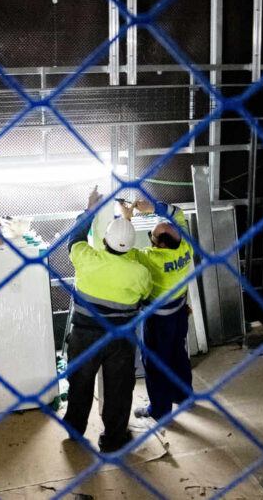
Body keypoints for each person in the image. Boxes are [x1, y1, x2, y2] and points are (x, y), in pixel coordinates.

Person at [63, 186, 153, 453]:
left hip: (85, 335)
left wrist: (90, 210)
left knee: (79, 383)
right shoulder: (138, 272)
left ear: (104, 241)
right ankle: (113, 439)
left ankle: (75, 432)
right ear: (131, 247)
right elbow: (145, 297)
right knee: (119, 389)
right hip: (120, 339)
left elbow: (74, 238)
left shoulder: (87, 259)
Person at [121, 198, 194, 422]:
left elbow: (122, 250)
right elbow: (178, 213)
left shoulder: (151, 259)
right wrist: (152, 208)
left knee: (155, 363)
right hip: (180, 311)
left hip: (159, 320)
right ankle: (184, 396)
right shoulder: (186, 244)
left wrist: (126, 219)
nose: (150, 240)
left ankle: (160, 411)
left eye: (151, 237)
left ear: (160, 244)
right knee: (178, 354)